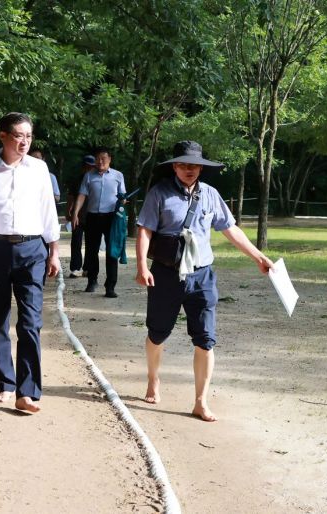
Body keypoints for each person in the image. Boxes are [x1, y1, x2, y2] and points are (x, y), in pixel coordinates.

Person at [135, 140, 273, 422]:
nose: (190, 170)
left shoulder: (210, 194)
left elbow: (229, 228)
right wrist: (141, 266)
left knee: (206, 340)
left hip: (202, 275)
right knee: (157, 333)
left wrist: (258, 257)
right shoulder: (159, 193)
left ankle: (200, 401)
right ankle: (153, 378)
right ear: (175, 166)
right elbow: (145, 230)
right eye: (184, 165)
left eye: (195, 165)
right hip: (166, 273)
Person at [0, 112, 61, 413]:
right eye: (19, 135)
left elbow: (48, 212)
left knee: (31, 321)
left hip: (32, 249)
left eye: (29, 136)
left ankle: (27, 391)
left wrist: (54, 251)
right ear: (3, 136)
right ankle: (5, 383)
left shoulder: (39, 169)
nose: (24, 141)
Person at [72, 147, 126, 298]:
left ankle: (110, 286)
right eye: (98, 158)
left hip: (111, 218)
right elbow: (82, 195)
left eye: (104, 158)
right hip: (93, 217)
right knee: (91, 251)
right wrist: (76, 212)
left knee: (112, 251)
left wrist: (122, 201)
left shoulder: (118, 176)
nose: (100, 161)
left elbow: (124, 196)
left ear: (110, 160)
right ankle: (92, 280)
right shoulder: (88, 176)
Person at [66, 155, 95, 278]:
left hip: (92, 216)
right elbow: (71, 196)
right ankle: (75, 267)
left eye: (91, 167)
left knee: (91, 243)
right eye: (86, 166)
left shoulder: (96, 180)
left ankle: (88, 268)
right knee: (76, 242)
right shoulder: (77, 180)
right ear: (83, 167)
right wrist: (69, 211)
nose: (88, 169)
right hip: (77, 216)